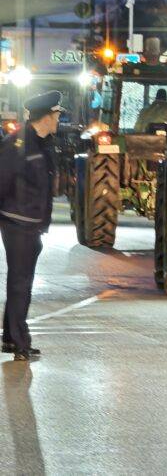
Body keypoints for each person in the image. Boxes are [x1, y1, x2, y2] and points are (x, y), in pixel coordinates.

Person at [0, 91, 64, 361]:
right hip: (18, 222)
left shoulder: (41, 143)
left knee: (20, 280)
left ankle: (10, 338)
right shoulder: (19, 145)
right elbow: (1, 182)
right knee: (20, 282)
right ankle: (18, 341)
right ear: (47, 116)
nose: (60, 119)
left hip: (31, 224)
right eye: (57, 115)